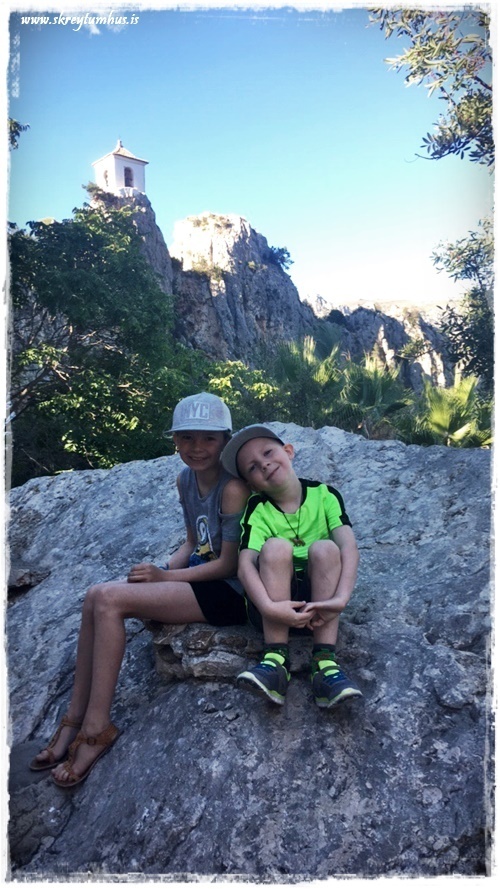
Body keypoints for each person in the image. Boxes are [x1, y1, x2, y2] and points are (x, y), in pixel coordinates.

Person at [30, 393, 249, 787]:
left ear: (225, 441)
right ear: (175, 440)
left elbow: (229, 565)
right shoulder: (186, 480)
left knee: (110, 600)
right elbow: (192, 542)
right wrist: (160, 572)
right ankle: (74, 718)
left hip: (231, 591)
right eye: (186, 437)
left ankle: (96, 728)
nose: (197, 447)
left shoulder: (232, 488)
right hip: (201, 580)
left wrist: (164, 580)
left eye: (209, 438)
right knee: (96, 595)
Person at [221, 424, 363, 709]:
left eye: (268, 453)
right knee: (275, 547)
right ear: (251, 484)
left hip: (321, 610)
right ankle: (275, 659)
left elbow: (349, 548)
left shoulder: (325, 495)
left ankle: (325, 664)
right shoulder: (257, 508)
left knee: (326, 548)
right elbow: (245, 565)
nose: (264, 464)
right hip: (273, 609)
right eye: (252, 467)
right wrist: (268, 608)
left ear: (288, 451)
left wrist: (340, 600)